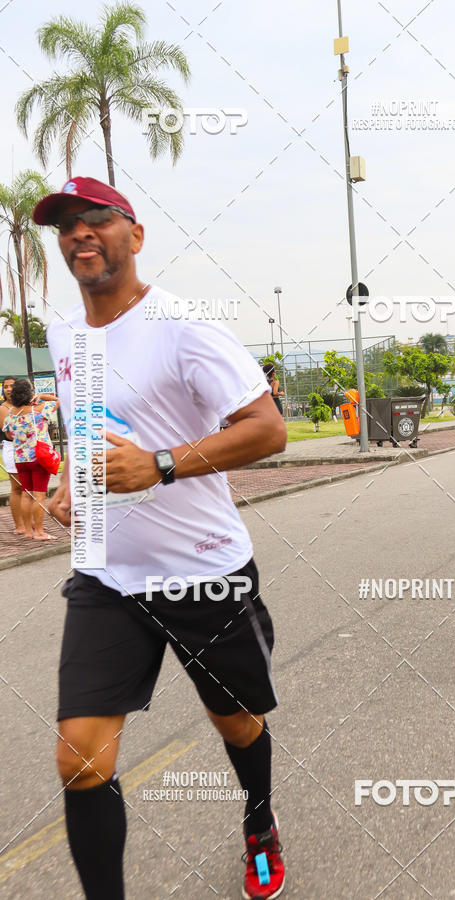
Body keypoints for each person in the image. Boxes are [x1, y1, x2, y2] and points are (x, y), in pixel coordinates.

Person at [35, 176, 288, 900]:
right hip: (108, 577)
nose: (81, 233)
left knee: (238, 726)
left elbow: (266, 427)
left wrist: (162, 465)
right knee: (80, 758)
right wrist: (69, 486)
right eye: (67, 227)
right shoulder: (66, 336)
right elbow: (94, 430)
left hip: (202, 570)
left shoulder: (183, 324)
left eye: (97, 220)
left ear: (135, 236)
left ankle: (260, 820)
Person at [1, 378, 60, 540]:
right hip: (38, 458)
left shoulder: (11, 414)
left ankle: (28, 530)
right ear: (30, 393)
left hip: (20, 458)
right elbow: (59, 400)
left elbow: (8, 434)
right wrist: (42, 395)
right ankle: (40, 532)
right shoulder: (41, 409)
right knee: (39, 495)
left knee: (26, 494)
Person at [0, 375, 25, 534]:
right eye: (5, 386)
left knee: (30, 487)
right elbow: (9, 434)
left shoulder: (26, 404)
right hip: (12, 448)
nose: (8, 389)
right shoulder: (3, 408)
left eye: (11, 386)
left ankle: (32, 523)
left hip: (29, 448)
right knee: (17, 487)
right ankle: (19, 525)